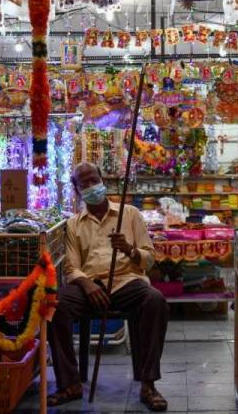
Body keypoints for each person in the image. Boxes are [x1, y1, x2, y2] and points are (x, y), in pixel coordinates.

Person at [47, 162, 169, 411]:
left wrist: (129, 250)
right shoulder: (73, 224)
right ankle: (69, 383)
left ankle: (148, 384)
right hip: (89, 285)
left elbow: (149, 258)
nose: (92, 187)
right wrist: (87, 285)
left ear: (102, 180)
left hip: (126, 281)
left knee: (155, 300)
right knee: (55, 307)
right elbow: (71, 267)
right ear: (77, 189)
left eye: (95, 180)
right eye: (85, 184)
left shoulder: (130, 214)